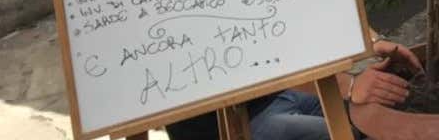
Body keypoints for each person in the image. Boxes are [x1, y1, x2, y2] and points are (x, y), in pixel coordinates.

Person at [166, 37, 423, 140]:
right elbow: (256, 69)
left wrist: (365, 44)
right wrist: (351, 84)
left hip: (278, 97)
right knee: (342, 134)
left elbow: (285, 36)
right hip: (236, 127)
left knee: (365, 114)